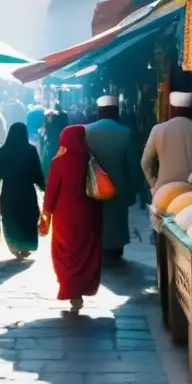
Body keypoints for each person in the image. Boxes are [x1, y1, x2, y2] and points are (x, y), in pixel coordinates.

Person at [42, 125, 103, 313]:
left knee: (65, 252)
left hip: (65, 215)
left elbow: (51, 190)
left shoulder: (59, 161)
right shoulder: (91, 157)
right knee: (85, 252)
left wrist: (46, 213)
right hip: (88, 213)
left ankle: (71, 290)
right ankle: (80, 288)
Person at [85, 96, 140, 264]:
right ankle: (115, 250)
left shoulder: (86, 131)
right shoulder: (125, 132)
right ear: (116, 111)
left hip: (92, 185)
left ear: (99, 111)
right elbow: (132, 163)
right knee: (116, 220)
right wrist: (135, 188)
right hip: (118, 187)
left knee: (95, 217)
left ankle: (96, 247)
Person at [141, 91, 192, 191]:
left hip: (164, 190)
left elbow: (145, 162)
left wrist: (154, 185)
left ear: (172, 108)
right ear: (190, 109)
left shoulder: (158, 129)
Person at [0, 122, 45, 258]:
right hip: (27, 193)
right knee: (27, 219)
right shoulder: (31, 150)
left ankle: (15, 247)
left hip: (9, 193)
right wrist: (43, 187)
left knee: (11, 219)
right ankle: (26, 247)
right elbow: (38, 173)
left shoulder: (2, 151)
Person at [40, 109, 69, 181]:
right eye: (48, 117)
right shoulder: (61, 125)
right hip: (57, 147)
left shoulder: (50, 126)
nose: (49, 118)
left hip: (54, 147)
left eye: (51, 116)